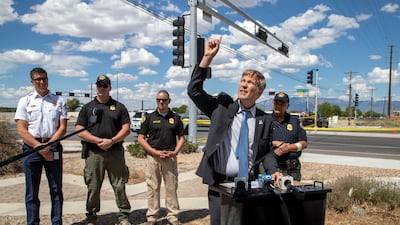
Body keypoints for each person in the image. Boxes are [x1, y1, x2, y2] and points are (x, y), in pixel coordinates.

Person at [187, 36, 282, 225]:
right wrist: (207, 59)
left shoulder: (265, 119)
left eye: (250, 82)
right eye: (242, 80)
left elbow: (267, 153)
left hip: (249, 185)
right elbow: (194, 91)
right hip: (220, 183)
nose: (244, 84)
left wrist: (274, 171)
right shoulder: (222, 106)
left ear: (259, 92)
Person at [14, 67, 68, 225]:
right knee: (31, 191)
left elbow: (62, 127)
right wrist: (40, 147)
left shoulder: (58, 101)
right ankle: (32, 222)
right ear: (32, 82)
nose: (42, 82)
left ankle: (56, 222)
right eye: (38, 79)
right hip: (31, 149)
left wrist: (49, 146)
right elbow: (22, 130)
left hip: (53, 147)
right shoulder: (25, 101)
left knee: (56, 189)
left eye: (44, 78)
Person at [75, 75, 131, 225]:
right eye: (99, 85)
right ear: (96, 87)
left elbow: (126, 129)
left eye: (105, 86)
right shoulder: (88, 107)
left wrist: (112, 141)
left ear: (110, 88)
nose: (101, 88)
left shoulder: (119, 107)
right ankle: (92, 217)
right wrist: (97, 141)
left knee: (119, 185)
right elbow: (79, 129)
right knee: (93, 186)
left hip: (115, 152)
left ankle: (124, 216)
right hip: (94, 153)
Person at [137, 90, 185, 225]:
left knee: (171, 188)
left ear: (169, 101)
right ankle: (152, 217)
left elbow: (181, 138)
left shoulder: (176, 118)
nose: (161, 102)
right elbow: (141, 138)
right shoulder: (149, 118)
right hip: (153, 158)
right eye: (159, 100)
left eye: (164, 100)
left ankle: (173, 216)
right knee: (153, 188)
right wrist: (154, 152)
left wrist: (175, 152)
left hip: (170, 157)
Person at [271, 92, 308, 181]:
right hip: (274, 168)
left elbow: (304, 143)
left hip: (292, 170)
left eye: (282, 104)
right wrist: (275, 144)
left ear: (287, 106)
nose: (278, 106)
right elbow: (259, 141)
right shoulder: (266, 120)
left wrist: (289, 148)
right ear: (273, 103)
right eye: (276, 103)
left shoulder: (294, 121)